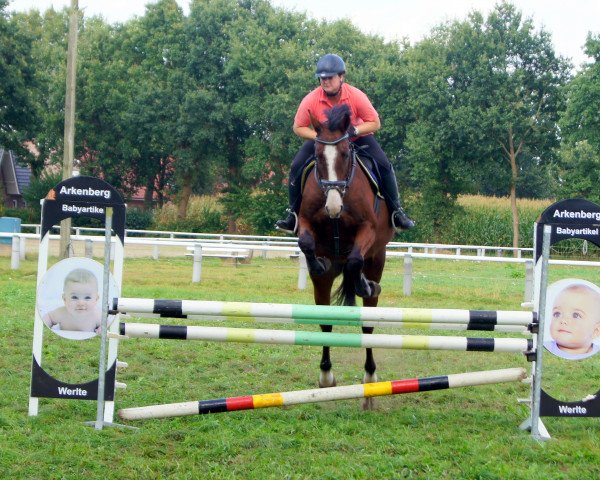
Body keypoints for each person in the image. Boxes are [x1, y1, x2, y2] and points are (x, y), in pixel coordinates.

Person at [275, 53, 415, 234]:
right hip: (324, 141)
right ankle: (292, 215)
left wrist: (354, 131)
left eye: (329, 78)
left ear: (341, 77)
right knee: (295, 166)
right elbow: (298, 127)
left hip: (357, 137)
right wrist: (318, 138)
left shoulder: (356, 95)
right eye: (322, 78)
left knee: (385, 165)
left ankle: (397, 212)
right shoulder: (311, 99)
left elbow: (375, 123)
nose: (325, 82)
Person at [544, 283, 600, 360]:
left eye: (576, 315)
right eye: (557, 314)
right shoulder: (542, 347)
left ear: (595, 331)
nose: (563, 320)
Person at [42, 268, 102, 333]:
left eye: (87, 297)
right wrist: (45, 325)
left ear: (96, 299)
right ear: (64, 299)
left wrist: (101, 328)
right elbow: (49, 317)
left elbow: (107, 323)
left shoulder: (96, 315)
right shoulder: (62, 313)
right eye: (74, 297)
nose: (81, 303)